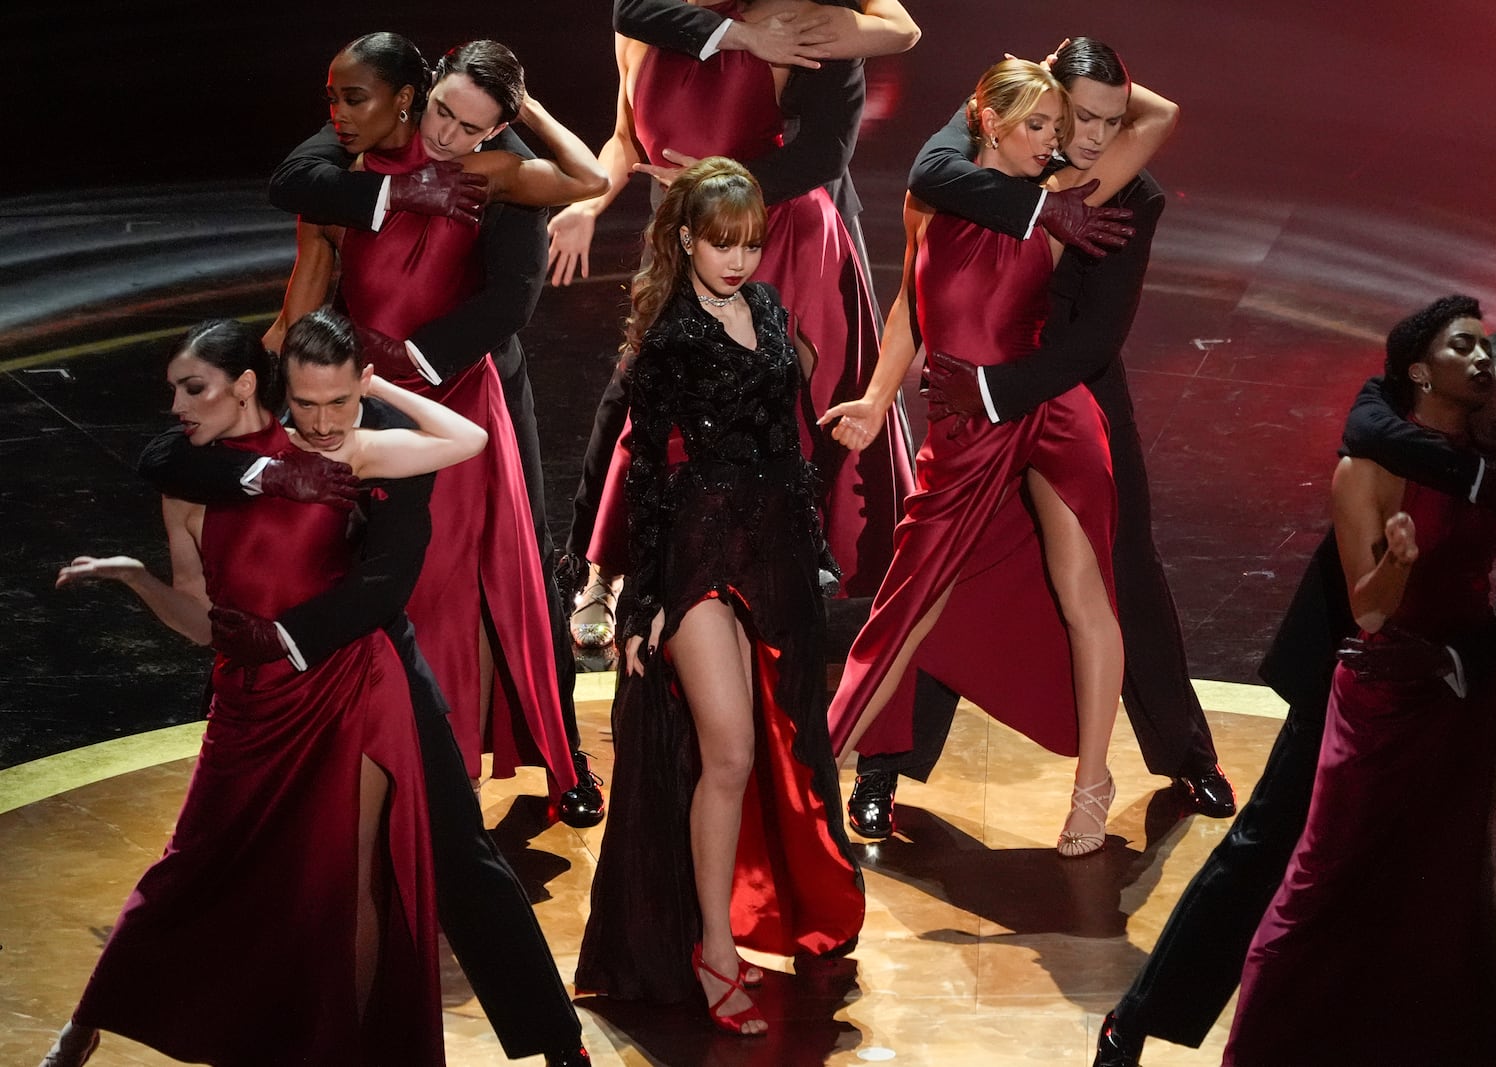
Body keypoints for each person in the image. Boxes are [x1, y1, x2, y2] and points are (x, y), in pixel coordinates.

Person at [1095, 318, 1496, 1065]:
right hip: (1349, 669)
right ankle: (1134, 1022)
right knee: (1268, 851)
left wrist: (1451, 660)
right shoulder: (1393, 419)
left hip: (1452, 697)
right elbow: (1366, 418)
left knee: (1460, 881)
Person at [136, 309, 593, 1066]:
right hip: (278, 688)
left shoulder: (384, 446)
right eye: (305, 403)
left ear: (362, 387)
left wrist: (286, 639)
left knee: (460, 855)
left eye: (338, 402)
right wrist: (269, 471)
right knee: (262, 859)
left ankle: (556, 1040)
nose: (319, 423)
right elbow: (161, 455)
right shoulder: (260, 437)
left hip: (375, 668)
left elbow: (386, 582)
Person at [39, 317, 488, 1067]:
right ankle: (89, 1017)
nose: (180, 405)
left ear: (244, 385)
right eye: (177, 390)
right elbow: (198, 621)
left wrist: (374, 387)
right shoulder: (188, 487)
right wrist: (135, 576)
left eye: (194, 388)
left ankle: (343, 1047)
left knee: (347, 881)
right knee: (187, 863)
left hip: (351, 685)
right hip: (251, 700)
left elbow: (466, 438)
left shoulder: (348, 448)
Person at [848, 35, 1234, 839]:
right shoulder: (971, 169)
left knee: (1128, 569)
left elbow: (1093, 344)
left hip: (1066, 389)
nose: (1093, 136)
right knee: (940, 574)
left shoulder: (1126, 192)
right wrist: (882, 394)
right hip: (973, 393)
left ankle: (1187, 755)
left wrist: (996, 391)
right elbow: (917, 285)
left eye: (1109, 119)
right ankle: (881, 773)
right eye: (1078, 118)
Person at [268, 31, 609, 826]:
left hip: (463, 383)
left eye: (474, 126)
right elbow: (294, 200)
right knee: (347, 564)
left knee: (505, 571)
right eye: (444, 114)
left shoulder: (494, 167)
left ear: (498, 127)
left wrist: (408, 357)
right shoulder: (361, 143)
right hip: (361, 390)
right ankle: (354, 747)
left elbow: (511, 302)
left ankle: (543, 750)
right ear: (426, 90)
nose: (449, 136)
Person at [574, 158, 863, 1036]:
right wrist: (637, 599)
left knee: (778, 742)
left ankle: (741, 924)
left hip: (772, 547)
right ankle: (712, 946)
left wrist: (811, 553)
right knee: (729, 749)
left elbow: (791, 440)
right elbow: (647, 474)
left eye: (749, 244)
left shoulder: (769, 310)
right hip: (698, 550)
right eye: (721, 243)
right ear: (685, 238)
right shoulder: (667, 338)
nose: (738, 261)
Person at [550, 0, 924, 655]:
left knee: (798, 382)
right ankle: (602, 573)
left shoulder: (798, 21)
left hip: (772, 225)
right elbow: (624, 135)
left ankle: (790, 550)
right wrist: (590, 202)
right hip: (682, 232)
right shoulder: (647, 26)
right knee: (643, 397)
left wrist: (715, 187)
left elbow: (837, 131)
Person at [1220, 297, 1496, 1065]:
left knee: (1468, 882)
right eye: (1464, 345)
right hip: (1385, 698)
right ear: (1422, 369)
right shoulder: (1368, 463)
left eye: (1487, 348)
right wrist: (1397, 561)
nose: (1483, 358)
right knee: (1323, 881)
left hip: (1470, 697)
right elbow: (1366, 612)